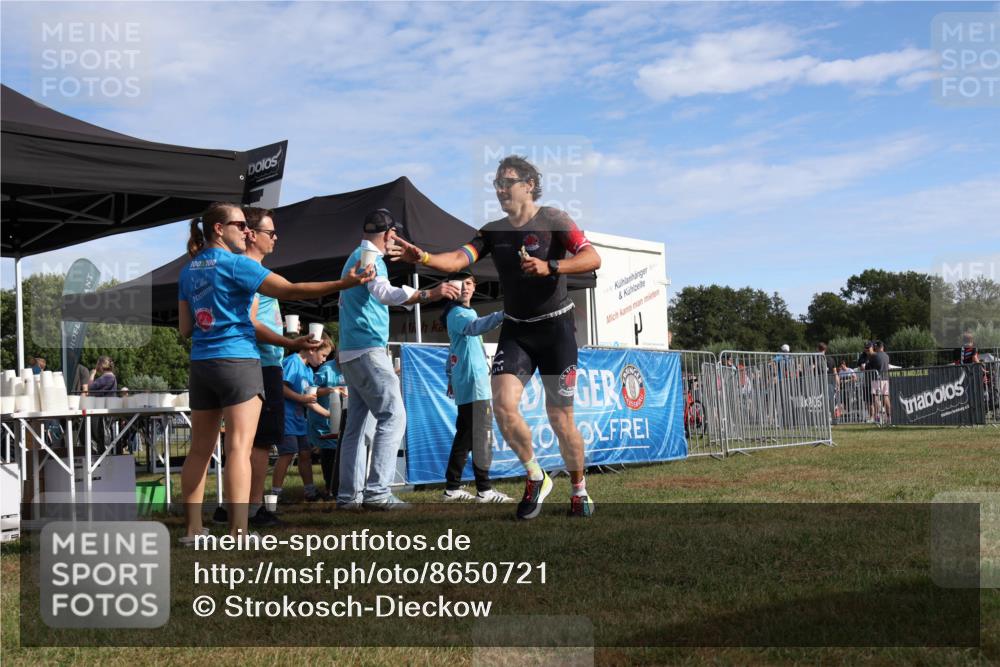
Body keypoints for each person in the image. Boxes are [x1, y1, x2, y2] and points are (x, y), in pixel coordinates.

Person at [388, 155, 602, 519]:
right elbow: (458, 259)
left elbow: (592, 258)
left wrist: (551, 265)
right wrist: (421, 255)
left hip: (556, 329)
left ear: (529, 185)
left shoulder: (554, 219)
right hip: (517, 329)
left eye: (508, 182)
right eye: (497, 184)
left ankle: (579, 490)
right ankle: (536, 476)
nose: (501, 189)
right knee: (503, 406)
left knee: (561, 418)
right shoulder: (492, 231)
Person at [177, 202, 372, 543]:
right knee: (239, 448)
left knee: (199, 450)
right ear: (219, 229)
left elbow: (184, 328)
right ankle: (239, 532)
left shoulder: (188, 271)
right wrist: (345, 283)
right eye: (241, 225)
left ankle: (194, 531)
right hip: (238, 361)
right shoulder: (237, 265)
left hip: (201, 363)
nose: (247, 232)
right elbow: (291, 290)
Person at [336, 208, 459, 511]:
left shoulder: (356, 255)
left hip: (351, 350)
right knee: (394, 416)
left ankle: (348, 497)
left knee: (357, 427)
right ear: (390, 234)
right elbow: (383, 293)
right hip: (367, 349)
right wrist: (429, 294)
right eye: (395, 234)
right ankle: (377, 493)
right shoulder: (370, 258)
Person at [212, 206, 320, 529]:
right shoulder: (248, 269)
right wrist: (290, 344)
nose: (275, 238)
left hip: (255, 362)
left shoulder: (246, 268)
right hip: (262, 365)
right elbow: (252, 321)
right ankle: (252, 509)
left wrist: (287, 338)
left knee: (244, 442)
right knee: (258, 442)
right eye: (270, 233)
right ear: (252, 235)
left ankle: (232, 508)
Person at [440, 271, 511, 503]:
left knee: (466, 437)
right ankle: (484, 490)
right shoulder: (459, 313)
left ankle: (452, 489)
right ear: (452, 288)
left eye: (469, 283)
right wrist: (503, 314)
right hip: (474, 384)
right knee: (479, 437)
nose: (466, 288)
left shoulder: (461, 312)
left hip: (471, 383)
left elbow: (455, 349)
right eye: (461, 284)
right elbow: (474, 327)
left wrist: (451, 375)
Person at [272, 332, 332, 503]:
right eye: (323, 355)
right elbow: (280, 387)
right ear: (312, 349)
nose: (323, 360)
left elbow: (309, 401)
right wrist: (301, 399)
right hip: (285, 418)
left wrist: (330, 415)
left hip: (298, 421)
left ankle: (310, 491)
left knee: (305, 454)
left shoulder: (307, 371)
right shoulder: (293, 362)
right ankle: (275, 494)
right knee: (288, 453)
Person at [308, 348, 348, 499]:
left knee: (342, 452)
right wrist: (331, 390)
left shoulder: (351, 368)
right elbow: (311, 391)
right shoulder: (326, 369)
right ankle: (329, 487)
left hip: (342, 417)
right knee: (330, 453)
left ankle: (338, 486)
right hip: (324, 419)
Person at [867, 340, 892, 424]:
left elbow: (868, 366)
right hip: (886, 378)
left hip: (877, 379)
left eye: (875, 347)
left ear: (877, 347)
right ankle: (889, 417)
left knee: (876, 397)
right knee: (886, 397)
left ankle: (878, 417)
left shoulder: (875, 356)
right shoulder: (887, 356)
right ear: (883, 347)